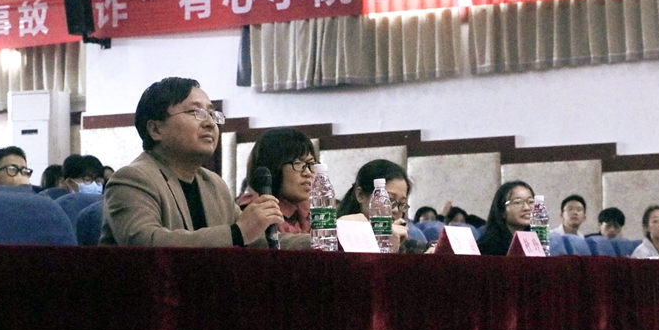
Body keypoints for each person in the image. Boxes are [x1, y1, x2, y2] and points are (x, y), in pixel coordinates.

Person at [100, 77, 294, 248]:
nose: (210, 123)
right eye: (195, 112)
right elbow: (145, 242)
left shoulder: (214, 184)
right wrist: (237, 232)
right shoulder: (132, 179)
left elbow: (253, 239)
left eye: (212, 114)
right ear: (156, 130)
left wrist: (313, 241)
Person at [237, 128, 314, 241]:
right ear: (273, 167)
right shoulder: (255, 211)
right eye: (297, 163)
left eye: (311, 163)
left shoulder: (310, 208)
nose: (308, 173)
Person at [337, 159, 428, 253]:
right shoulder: (336, 236)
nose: (396, 210)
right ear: (361, 195)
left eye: (401, 204)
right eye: (388, 200)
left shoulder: (404, 241)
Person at [477, 181, 535, 255]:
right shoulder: (487, 247)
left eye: (531, 202)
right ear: (502, 211)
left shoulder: (536, 241)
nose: (526, 208)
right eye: (517, 202)